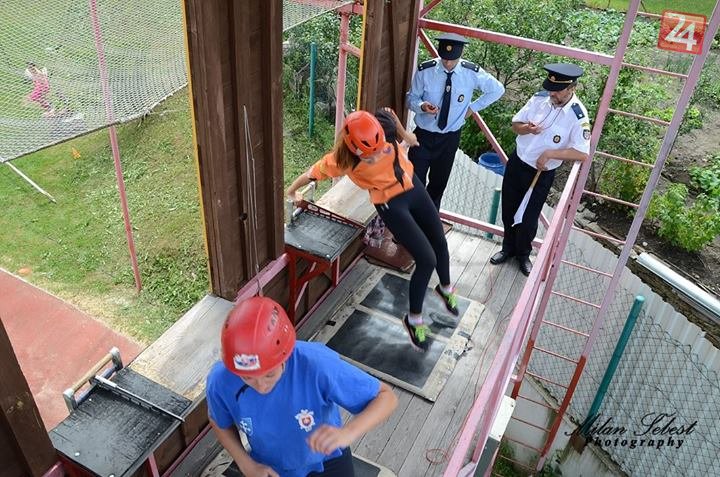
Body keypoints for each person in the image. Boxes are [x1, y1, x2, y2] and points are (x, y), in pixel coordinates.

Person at [286, 109, 460, 352]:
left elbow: (389, 114)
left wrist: (405, 136)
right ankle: (414, 320)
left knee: (439, 240)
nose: (377, 156)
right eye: (370, 156)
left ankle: (445, 288)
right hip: (390, 204)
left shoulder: (383, 127)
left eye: (380, 150)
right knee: (426, 259)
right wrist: (292, 191)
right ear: (354, 150)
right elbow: (311, 173)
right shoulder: (342, 160)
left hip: (412, 186)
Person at [206, 297, 398, 477]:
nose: (261, 387)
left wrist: (349, 432)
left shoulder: (317, 365)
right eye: (247, 377)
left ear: (285, 355)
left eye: (270, 374)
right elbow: (218, 420)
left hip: (328, 459)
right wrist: (245, 463)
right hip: (270, 466)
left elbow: (386, 396)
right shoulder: (221, 380)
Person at [490, 63, 591, 276]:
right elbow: (515, 125)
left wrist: (550, 154)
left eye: (558, 90)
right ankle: (507, 248)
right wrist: (526, 129)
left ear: (572, 88)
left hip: (540, 173)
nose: (552, 93)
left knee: (528, 220)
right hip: (517, 163)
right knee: (508, 210)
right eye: (550, 88)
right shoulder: (539, 99)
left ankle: (523, 255)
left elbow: (582, 153)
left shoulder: (578, 116)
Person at [406, 32, 505, 210]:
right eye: (444, 59)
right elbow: (411, 98)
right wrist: (422, 106)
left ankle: (430, 220)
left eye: (452, 60)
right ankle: (413, 219)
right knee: (415, 182)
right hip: (422, 136)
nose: (448, 63)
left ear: (460, 55)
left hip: (449, 138)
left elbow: (497, 90)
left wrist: (472, 108)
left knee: (438, 184)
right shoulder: (425, 71)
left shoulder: (471, 73)